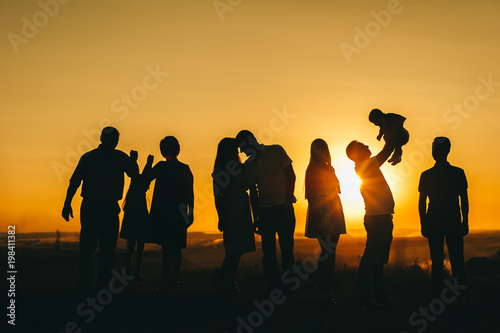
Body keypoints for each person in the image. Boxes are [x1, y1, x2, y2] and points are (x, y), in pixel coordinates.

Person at [62, 127, 138, 293]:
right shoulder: (100, 158)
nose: (114, 143)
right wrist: (67, 203)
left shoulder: (96, 157)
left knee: (104, 248)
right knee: (95, 248)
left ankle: (96, 284)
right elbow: (74, 182)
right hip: (96, 206)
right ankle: (92, 284)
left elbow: (134, 174)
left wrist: (67, 204)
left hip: (102, 206)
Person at [235, 130, 296, 295]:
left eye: (244, 148)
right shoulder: (248, 166)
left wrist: (288, 200)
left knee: (287, 251)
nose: (244, 152)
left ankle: (288, 291)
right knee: (269, 253)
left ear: (251, 141)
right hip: (266, 211)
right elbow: (253, 193)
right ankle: (274, 289)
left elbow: (291, 175)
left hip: (283, 208)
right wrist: (257, 217)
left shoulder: (276, 150)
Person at [346, 139, 395, 308]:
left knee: (377, 261)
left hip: (381, 218)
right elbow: (388, 148)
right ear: (357, 153)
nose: (367, 146)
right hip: (378, 219)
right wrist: (391, 128)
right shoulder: (367, 165)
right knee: (371, 260)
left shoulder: (365, 166)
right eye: (363, 146)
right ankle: (366, 297)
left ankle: (379, 297)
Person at [418, 137, 469, 297]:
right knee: (449, 261)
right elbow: (463, 200)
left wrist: (424, 222)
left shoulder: (428, 175)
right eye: (434, 148)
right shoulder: (456, 173)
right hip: (447, 221)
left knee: (446, 262)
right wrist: (465, 221)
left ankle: (442, 297)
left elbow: (422, 203)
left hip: (440, 222)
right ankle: (456, 297)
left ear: (445, 150)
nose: (435, 152)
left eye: (437, 149)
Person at [148, 136, 194, 292]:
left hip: (168, 212)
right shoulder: (182, 168)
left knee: (169, 248)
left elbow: (144, 180)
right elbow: (190, 194)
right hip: (174, 212)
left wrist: (148, 164)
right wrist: (191, 213)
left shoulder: (163, 167)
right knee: (173, 247)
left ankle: (169, 280)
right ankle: (170, 280)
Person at [211, 138, 256, 293]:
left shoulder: (240, 167)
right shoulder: (220, 169)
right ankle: (225, 278)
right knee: (234, 246)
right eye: (234, 149)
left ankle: (226, 278)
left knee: (239, 245)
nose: (237, 152)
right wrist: (221, 217)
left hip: (242, 205)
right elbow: (217, 196)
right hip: (231, 206)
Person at [305, 139, 346, 302]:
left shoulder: (330, 168)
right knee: (327, 252)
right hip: (321, 211)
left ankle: (325, 286)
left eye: (322, 148)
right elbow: (311, 197)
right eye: (317, 149)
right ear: (313, 152)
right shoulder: (312, 170)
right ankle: (322, 288)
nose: (320, 151)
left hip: (333, 208)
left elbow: (337, 188)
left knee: (331, 251)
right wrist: (317, 221)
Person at [120, 154, 154, 281]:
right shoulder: (138, 190)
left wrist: (141, 162)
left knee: (133, 246)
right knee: (138, 247)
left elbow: (138, 174)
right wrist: (147, 163)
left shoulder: (135, 188)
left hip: (134, 216)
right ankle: (134, 271)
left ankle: (131, 271)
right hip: (138, 217)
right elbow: (140, 175)